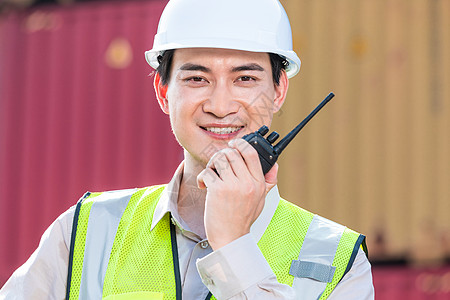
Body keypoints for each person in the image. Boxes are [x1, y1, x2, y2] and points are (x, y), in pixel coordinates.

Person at [0, 0, 374, 299]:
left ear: (278, 91)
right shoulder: (86, 231)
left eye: (245, 78)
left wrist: (233, 245)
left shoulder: (338, 261)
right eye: (197, 78)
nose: (221, 104)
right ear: (163, 92)